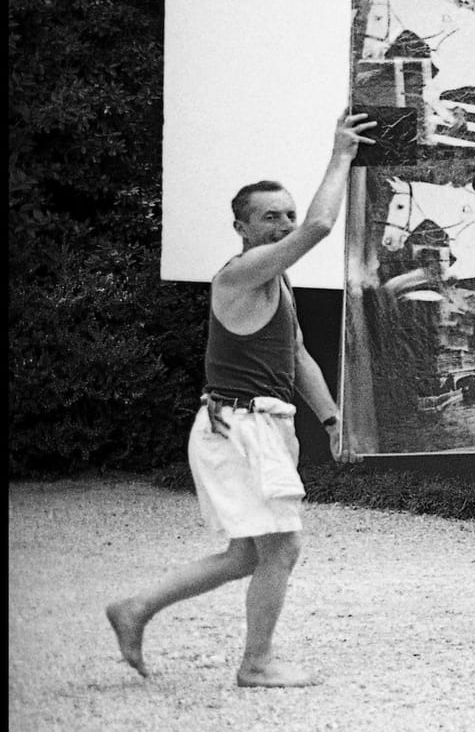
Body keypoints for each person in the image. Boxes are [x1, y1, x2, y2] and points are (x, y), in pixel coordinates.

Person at [106, 109, 376, 686]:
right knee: (282, 547)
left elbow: (296, 355)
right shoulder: (238, 275)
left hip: (258, 425)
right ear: (242, 228)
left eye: (287, 214)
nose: (284, 224)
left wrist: (331, 420)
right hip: (238, 426)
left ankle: (135, 608)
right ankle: (256, 665)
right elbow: (320, 227)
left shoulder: (275, 281)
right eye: (269, 217)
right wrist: (341, 155)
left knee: (247, 555)